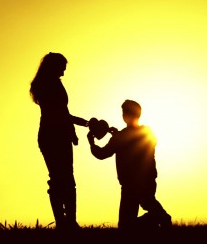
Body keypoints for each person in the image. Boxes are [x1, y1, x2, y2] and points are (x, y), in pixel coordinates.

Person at [86, 99, 171, 230]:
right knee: (148, 203)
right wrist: (118, 135)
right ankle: (158, 219)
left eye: (124, 112)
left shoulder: (120, 137)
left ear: (126, 115)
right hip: (147, 180)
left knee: (126, 226)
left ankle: (157, 219)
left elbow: (102, 154)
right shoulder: (148, 132)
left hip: (130, 184)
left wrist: (92, 143)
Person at [30, 52, 88, 231]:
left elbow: (63, 111)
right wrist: (85, 123)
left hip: (56, 135)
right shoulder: (49, 85)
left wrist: (72, 132)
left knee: (61, 179)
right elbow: (60, 114)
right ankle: (66, 222)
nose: (64, 71)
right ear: (54, 66)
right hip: (53, 136)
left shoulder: (48, 84)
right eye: (62, 67)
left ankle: (66, 222)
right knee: (62, 180)